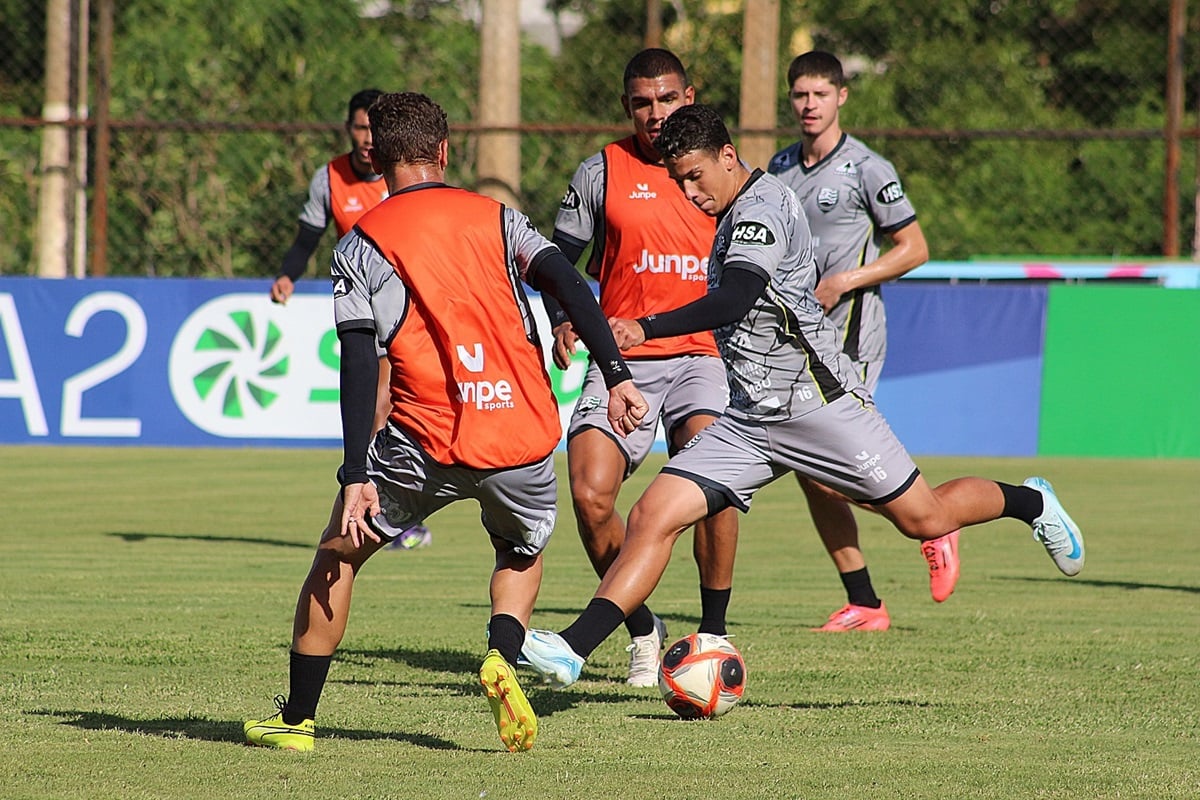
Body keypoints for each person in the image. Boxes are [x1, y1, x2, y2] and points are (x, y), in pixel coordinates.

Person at [520, 104, 1084, 691]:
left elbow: (736, 297)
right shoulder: (729, 206)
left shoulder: (759, 209)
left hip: (819, 406)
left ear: (728, 157)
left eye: (696, 177)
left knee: (926, 517)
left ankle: (1032, 503)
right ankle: (572, 650)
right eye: (678, 181)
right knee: (650, 516)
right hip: (749, 419)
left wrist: (646, 327)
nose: (689, 193)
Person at [244, 91, 648, 753]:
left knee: (337, 558)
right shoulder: (499, 218)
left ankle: (296, 722)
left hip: (422, 442)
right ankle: (500, 650)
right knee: (520, 550)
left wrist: (354, 473)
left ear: (373, 155)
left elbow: (355, 360)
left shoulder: (364, 243)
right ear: (445, 150)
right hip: (520, 436)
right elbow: (571, 285)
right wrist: (618, 374)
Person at [541, 48, 740, 686]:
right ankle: (641, 628)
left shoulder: (725, 171)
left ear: (690, 95)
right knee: (589, 492)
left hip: (704, 354)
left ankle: (713, 633)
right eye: (641, 103)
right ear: (626, 106)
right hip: (621, 357)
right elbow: (554, 264)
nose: (655, 114)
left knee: (712, 475)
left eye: (667, 99)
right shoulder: (601, 170)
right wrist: (565, 316)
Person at [766, 50, 946, 631]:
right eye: (800, 95)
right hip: (801, 340)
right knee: (810, 470)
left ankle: (939, 519)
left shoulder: (868, 168)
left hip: (852, 337)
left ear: (841, 97)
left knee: (831, 467)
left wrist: (845, 280)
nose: (809, 105)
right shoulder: (780, 168)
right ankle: (865, 600)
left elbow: (914, 248)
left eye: (820, 94)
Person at [269, 87, 430, 549]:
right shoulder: (330, 178)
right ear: (348, 129)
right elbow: (307, 238)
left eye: (373, 130)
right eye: (359, 128)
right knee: (379, 407)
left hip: (415, 308)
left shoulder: (400, 175)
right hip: (366, 307)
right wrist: (287, 275)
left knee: (399, 408)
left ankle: (394, 504)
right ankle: (389, 509)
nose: (366, 138)